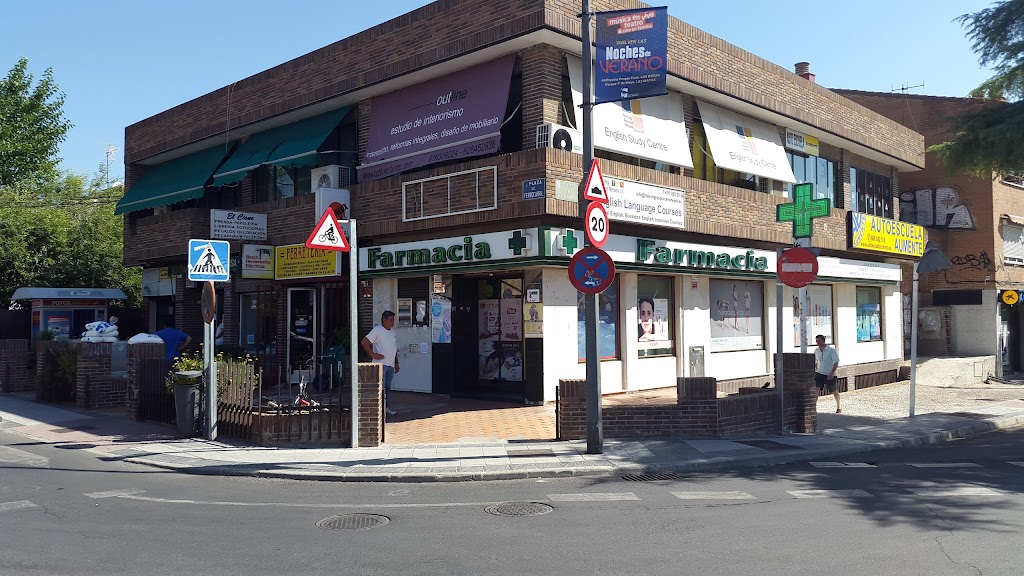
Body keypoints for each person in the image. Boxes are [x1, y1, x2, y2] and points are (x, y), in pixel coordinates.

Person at [361, 310, 399, 416]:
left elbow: (394, 347)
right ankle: (379, 409)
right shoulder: (377, 330)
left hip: (390, 364)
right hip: (381, 364)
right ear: (384, 320)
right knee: (381, 388)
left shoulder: (392, 332)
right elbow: (364, 342)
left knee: (387, 388)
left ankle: (385, 407)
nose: (392, 322)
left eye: (393, 320)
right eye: (391, 320)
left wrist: (396, 362)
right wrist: (373, 354)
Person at [814, 334, 841, 413]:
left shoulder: (831, 350)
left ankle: (839, 406)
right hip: (819, 372)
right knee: (816, 389)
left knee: (833, 390)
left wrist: (832, 373)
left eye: (819, 341)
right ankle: (814, 407)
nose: (817, 343)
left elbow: (836, 362)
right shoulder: (816, 350)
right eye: (816, 341)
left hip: (829, 373)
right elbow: (816, 361)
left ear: (823, 341)